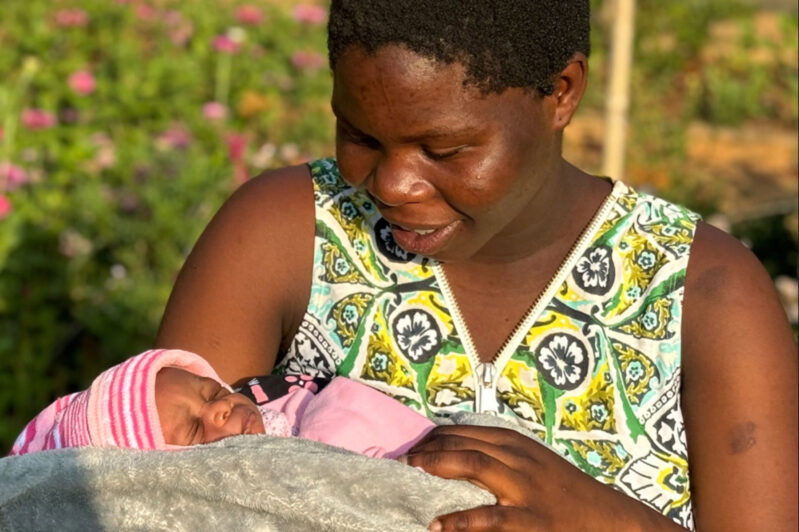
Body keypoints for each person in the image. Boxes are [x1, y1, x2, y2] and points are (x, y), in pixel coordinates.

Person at [155, 1, 798, 530]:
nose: (393, 184)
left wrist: (600, 520)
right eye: (360, 137)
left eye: (445, 149)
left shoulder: (703, 291)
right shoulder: (286, 229)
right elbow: (143, 494)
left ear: (561, 93)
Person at [10, 348, 434, 458]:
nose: (219, 409)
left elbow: (350, 411)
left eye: (211, 391)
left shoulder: (290, 405)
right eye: (195, 430)